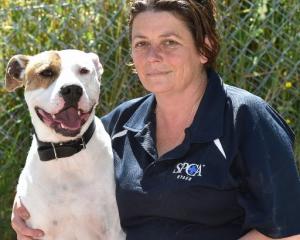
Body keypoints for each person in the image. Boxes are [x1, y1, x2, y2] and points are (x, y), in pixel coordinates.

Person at [11, 0, 300, 239]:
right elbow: (56, 151)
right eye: (141, 44)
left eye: (169, 42)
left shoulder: (246, 117)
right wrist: (26, 204)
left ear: (205, 48)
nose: (153, 56)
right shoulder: (118, 124)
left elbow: (286, 232)